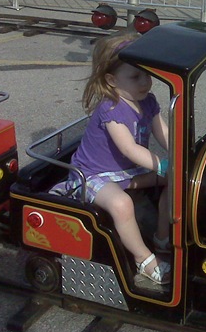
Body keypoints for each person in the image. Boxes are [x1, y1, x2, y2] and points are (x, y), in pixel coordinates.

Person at [59, 32, 171, 285]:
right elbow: (129, 149)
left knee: (175, 179)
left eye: (147, 75)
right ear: (111, 80)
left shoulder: (148, 101)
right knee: (121, 204)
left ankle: (162, 236)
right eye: (135, 77)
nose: (145, 82)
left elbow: (162, 131)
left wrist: (181, 152)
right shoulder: (111, 108)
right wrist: (163, 164)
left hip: (125, 173)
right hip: (93, 175)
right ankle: (144, 259)